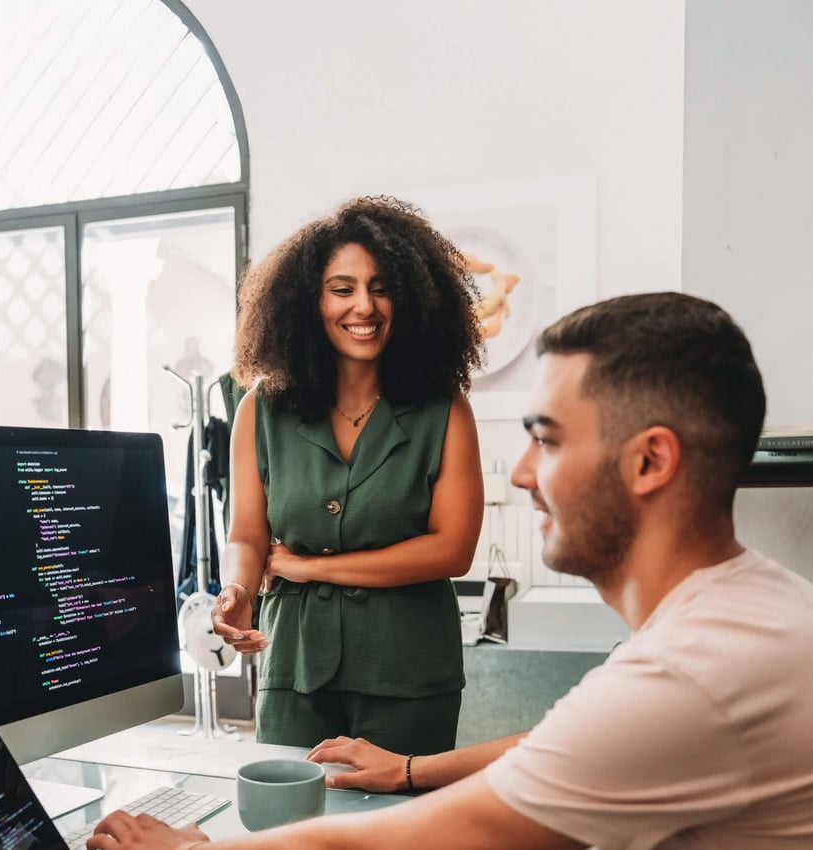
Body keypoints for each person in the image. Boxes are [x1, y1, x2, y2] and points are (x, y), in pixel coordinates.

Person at [88, 292, 813, 850]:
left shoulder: (694, 672)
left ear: (650, 461)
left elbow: (414, 841)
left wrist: (197, 846)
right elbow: (570, 740)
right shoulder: (738, 614)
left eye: (548, 442)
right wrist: (406, 771)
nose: (523, 475)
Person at [210, 195, 486, 754]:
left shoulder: (444, 409)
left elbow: (452, 550)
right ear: (307, 303)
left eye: (381, 287)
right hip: (296, 665)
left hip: (408, 671)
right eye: (343, 289)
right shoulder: (261, 410)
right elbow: (247, 534)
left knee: (403, 837)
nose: (365, 305)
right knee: (292, 829)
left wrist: (310, 567)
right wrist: (236, 588)